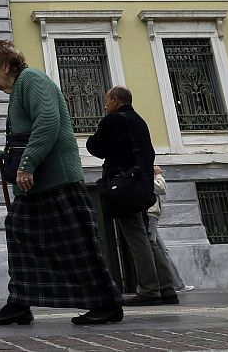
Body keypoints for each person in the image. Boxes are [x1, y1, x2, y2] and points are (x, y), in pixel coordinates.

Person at [0, 39, 125, 327]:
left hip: (56, 181)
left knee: (75, 244)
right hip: (35, 185)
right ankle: (20, 302)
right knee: (20, 236)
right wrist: (4, 154)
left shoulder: (33, 79)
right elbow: (26, 136)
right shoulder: (20, 88)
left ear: (6, 65)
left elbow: (48, 121)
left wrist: (27, 165)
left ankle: (106, 303)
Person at [88, 86, 177, 307]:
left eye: (107, 101)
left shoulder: (113, 121)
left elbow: (95, 147)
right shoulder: (139, 121)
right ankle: (167, 288)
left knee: (137, 239)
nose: (105, 105)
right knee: (147, 238)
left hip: (123, 186)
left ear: (116, 101)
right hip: (141, 186)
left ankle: (148, 290)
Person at [147, 166, 191, 292]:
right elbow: (161, 188)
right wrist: (158, 175)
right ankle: (163, 285)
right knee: (153, 248)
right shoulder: (144, 174)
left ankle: (178, 284)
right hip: (151, 215)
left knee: (162, 250)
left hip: (153, 215)